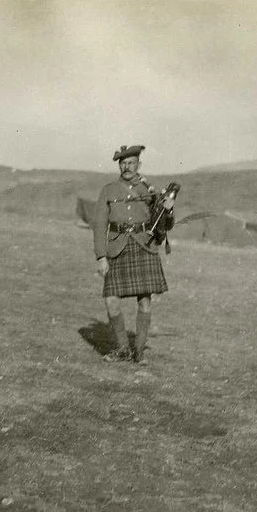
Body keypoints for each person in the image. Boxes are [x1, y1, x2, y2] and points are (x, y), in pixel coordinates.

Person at [92, 145, 174, 365]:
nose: (126, 166)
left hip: (143, 247)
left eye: (131, 162)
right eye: (122, 163)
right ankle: (122, 349)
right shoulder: (108, 190)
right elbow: (99, 225)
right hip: (117, 248)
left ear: (139, 164)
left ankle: (138, 352)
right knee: (111, 300)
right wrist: (101, 256)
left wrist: (169, 208)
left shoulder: (151, 190)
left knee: (145, 301)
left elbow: (165, 225)